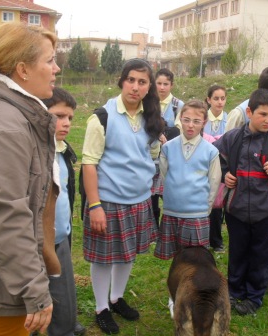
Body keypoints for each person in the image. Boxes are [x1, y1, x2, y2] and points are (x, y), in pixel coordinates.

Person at [82, 58, 164, 334]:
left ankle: (116, 298)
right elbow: (89, 164)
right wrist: (95, 206)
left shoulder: (151, 116)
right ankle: (101, 307)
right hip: (107, 201)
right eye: (131, 80)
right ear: (121, 81)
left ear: (149, 86)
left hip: (138, 200)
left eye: (142, 82)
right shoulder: (102, 117)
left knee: (127, 255)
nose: (135, 87)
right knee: (104, 258)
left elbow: (151, 154)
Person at [0, 22, 59, 335]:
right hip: (4, 291)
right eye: (49, 61)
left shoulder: (16, 115)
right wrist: (34, 289)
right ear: (22, 69)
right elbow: (6, 214)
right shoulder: (7, 127)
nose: (56, 68)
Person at [214, 88, 268, 315]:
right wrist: (225, 174)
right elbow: (213, 159)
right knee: (238, 252)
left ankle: (254, 297)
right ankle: (234, 292)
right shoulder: (232, 138)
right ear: (250, 112)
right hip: (236, 209)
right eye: (263, 114)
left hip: (267, 212)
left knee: (261, 256)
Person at [41, 87, 86, 336]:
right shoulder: (34, 151)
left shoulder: (63, 149)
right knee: (33, 300)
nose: (66, 123)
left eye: (70, 117)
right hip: (36, 241)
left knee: (64, 294)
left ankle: (65, 325)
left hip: (61, 238)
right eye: (59, 116)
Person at [154, 99, 221, 260]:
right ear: (180, 119)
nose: (191, 125)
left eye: (196, 121)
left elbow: (214, 182)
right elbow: (165, 175)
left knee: (195, 258)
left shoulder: (211, 151)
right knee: (177, 257)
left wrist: (206, 208)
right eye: (186, 120)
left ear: (204, 122)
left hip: (197, 213)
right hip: (172, 211)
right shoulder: (168, 148)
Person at [152, 68, 185, 227]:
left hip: (170, 157)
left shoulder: (178, 105)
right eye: (159, 83)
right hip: (149, 157)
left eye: (166, 84)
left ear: (171, 85)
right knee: (150, 196)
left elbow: (179, 131)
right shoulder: (148, 102)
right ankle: (152, 229)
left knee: (169, 194)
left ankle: (171, 226)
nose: (162, 87)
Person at [203, 85, 228, 253]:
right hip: (203, 163)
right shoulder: (203, 118)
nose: (220, 102)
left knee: (218, 202)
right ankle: (201, 237)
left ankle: (216, 241)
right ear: (208, 100)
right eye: (216, 98)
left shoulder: (229, 118)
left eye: (223, 98)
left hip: (222, 163)